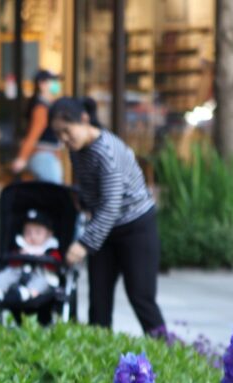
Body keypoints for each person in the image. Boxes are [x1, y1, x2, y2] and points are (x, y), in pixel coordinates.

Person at [49, 96, 165, 335]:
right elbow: (94, 191)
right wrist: (81, 199)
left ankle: (169, 356)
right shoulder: (77, 149)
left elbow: (111, 205)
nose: (63, 140)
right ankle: (98, 358)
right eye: (58, 135)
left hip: (136, 228)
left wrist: (83, 244)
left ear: (84, 119)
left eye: (67, 131)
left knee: (141, 298)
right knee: (98, 302)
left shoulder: (107, 151)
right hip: (105, 231)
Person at [0, 208, 62, 308]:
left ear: (48, 234)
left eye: (38, 232)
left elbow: (56, 263)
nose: (32, 236)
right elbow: (11, 262)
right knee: (6, 274)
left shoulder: (50, 248)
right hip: (19, 275)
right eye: (28, 232)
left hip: (40, 274)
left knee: (42, 281)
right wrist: (21, 255)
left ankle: (29, 293)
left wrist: (43, 257)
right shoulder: (21, 245)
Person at [11, 69, 63, 182]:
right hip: (43, 157)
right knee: (52, 193)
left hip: (48, 156)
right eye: (52, 81)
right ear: (42, 84)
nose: (56, 85)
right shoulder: (41, 108)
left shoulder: (48, 104)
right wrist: (22, 158)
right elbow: (33, 135)